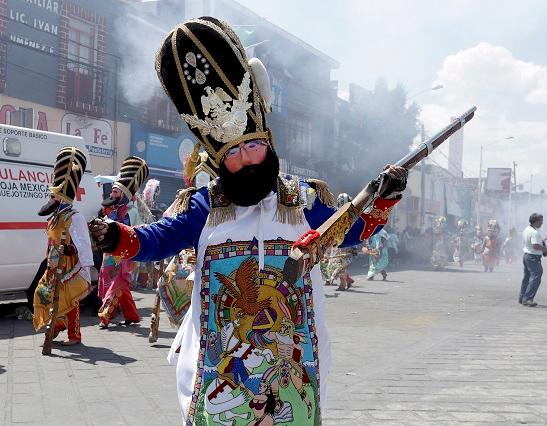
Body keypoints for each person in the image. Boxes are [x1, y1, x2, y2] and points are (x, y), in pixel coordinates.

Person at [88, 17, 406, 425]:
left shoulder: (302, 198)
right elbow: (161, 238)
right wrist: (117, 235)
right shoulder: (206, 204)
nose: (246, 161)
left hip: (293, 357)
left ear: (268, 143)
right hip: (222, 360)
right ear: (218, 161)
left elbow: (353, 230)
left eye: (253, 147)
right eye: (233, 155)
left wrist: (385, 196)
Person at [32, 147, 93, 346]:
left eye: (53, 197)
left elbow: (83, 244)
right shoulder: (54, 217)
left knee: (69, 300)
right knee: (42, 294)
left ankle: (74, 336)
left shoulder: (75, 217)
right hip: (53, 265)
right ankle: (56, 325)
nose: (49, 200)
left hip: (69, 266)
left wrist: (71, 250)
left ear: (61, 198)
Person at [97, 156, 148, 328]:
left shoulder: (132, 213)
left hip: (124, 255)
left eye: (115, 192)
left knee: (116, 285)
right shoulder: (109, 211)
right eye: (112, 191)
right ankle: (132, 316)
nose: (112, 194)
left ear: (124, 195)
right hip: (109, 254)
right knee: (115, 285)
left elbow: (135, 233)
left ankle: (105, 317)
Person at [519, 213, 547, 307]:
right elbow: (535, 246)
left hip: (526, 256)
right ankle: (528, 298)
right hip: (533, 257)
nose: (542, 223)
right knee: (536, 277)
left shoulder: (527, 229)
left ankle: (522, 297)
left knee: (526, 278)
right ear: (536, 221)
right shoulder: (535, 233)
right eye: (540, 221)